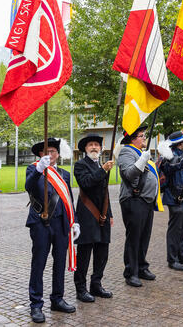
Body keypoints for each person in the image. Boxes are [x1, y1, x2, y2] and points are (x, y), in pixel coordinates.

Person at [26, 137, 77, 323]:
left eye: (53, 151)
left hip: (61, 223)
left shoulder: (64, 174)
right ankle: (36, 304)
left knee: (60, 262)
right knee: (38, 264)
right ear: (40, 154)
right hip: (40, 223)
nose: (50, 154)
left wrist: (75, 222)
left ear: (58, 153)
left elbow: (69, 199)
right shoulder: (33, 169)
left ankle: (57, 298)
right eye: (46, 152)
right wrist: (40, 170)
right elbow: (28, 186)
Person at [73, 134, 115, 304]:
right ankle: (81, 289)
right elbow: (87, 183)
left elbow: (105, 192)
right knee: (84, 253)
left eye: (97, 145)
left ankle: (96, 285)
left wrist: (109, 213)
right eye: (90, 145)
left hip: (102, 214)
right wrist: (103, 170)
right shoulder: (80, 165)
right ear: (85, 149)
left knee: (102, 252)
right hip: (87, 214)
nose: (94, 147)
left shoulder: (100, 165)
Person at [118, 125, 160, 287]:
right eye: (141, 136)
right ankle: (131, 272)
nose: (144, 138)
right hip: (134, 199)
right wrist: (143, 160)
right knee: (134, 237)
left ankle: (142, 267)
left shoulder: (138, 152)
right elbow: (129, 174)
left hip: (145, 200)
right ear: (133, 139)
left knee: (144, 236)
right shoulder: (126, 152)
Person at [158, 131, 183, 271]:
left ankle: (182, 255)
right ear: (180, 143)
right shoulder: (169, 155)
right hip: (175, 195)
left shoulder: (181, 154)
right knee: (175, 229)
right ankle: (172, 259)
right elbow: (176, 166)